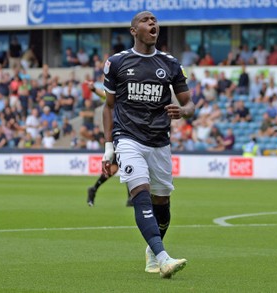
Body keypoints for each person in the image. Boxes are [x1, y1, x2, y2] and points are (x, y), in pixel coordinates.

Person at [102, 11, 195, 279]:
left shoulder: (170, 64)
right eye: (145, 20)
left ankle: (152, 251)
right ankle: (163, 257)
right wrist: (109, 146)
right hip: (128, 138)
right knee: (139, 192)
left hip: (159, 142)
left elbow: (189, 103)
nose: (152, 23)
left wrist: (183, 111)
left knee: (162, 202)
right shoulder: (117, 63)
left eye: (154, 20)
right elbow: (108, 106)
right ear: (134, 30)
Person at [85, 82, 133, 207]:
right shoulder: (120, 96)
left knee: (114, 169)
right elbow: (105, 96)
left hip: (127, 134)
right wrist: (95, 89)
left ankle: (94, 189)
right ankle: (131, 198)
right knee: (128, 163)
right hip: (119, 134)